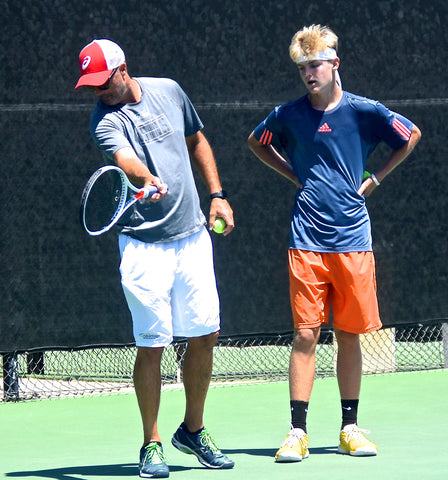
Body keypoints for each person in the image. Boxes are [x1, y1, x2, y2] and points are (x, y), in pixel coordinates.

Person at [248, 24, 421, 463]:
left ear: (334, 64)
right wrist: (295, 176)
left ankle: (349, 427)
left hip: (353, 242)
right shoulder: (287, 115)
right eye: (303, 67)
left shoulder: (364, 111)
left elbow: (410, 135)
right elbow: (257, 142)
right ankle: (297, 432)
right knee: (306, 334)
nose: (309, 73)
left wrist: (375, 179)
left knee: (348, 334)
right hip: (306, 240)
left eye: (316, 65)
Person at [75, 39, 235, 478]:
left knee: (206, 335)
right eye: (91, 86)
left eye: (103, 82)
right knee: (152, 344)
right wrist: (147, 178)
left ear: (123, 70)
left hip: (192, 237)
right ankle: (152, 443)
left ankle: (193, 430)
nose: (98, 92)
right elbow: (125, 159)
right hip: (144, 248)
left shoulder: (168, 89)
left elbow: (196, 139)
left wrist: (217, 195)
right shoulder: (103, 120)